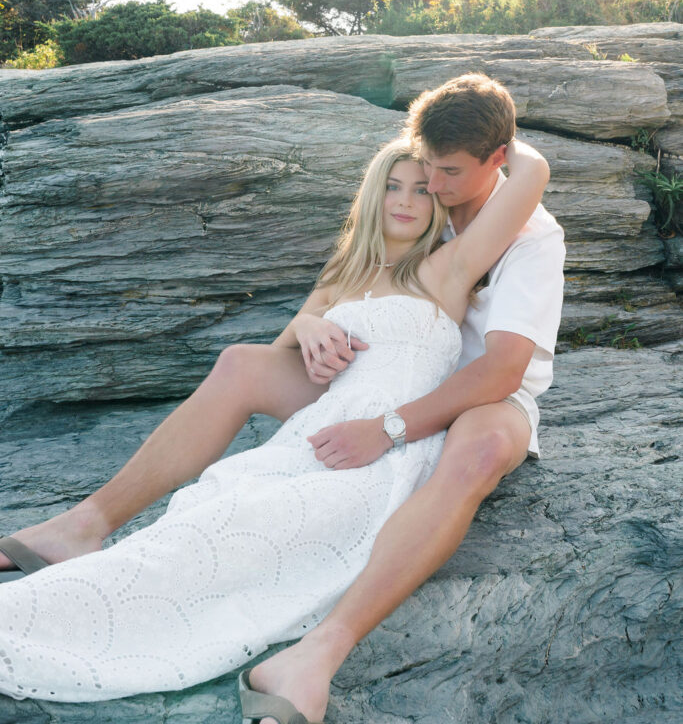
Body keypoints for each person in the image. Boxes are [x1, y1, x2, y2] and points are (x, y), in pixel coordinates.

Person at [0, 73, 565, 722]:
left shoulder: (524, 238)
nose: (428, 185)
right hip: (371, 376)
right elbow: (319, 311)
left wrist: (387, 428)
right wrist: (310, 327)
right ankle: (82, 526)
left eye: (445, 172)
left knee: (481, 445)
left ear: (497, 158)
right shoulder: (409, 215)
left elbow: (498, 369)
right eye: (419, 169)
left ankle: (317, 653)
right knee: (242, 363)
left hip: (480, 394)